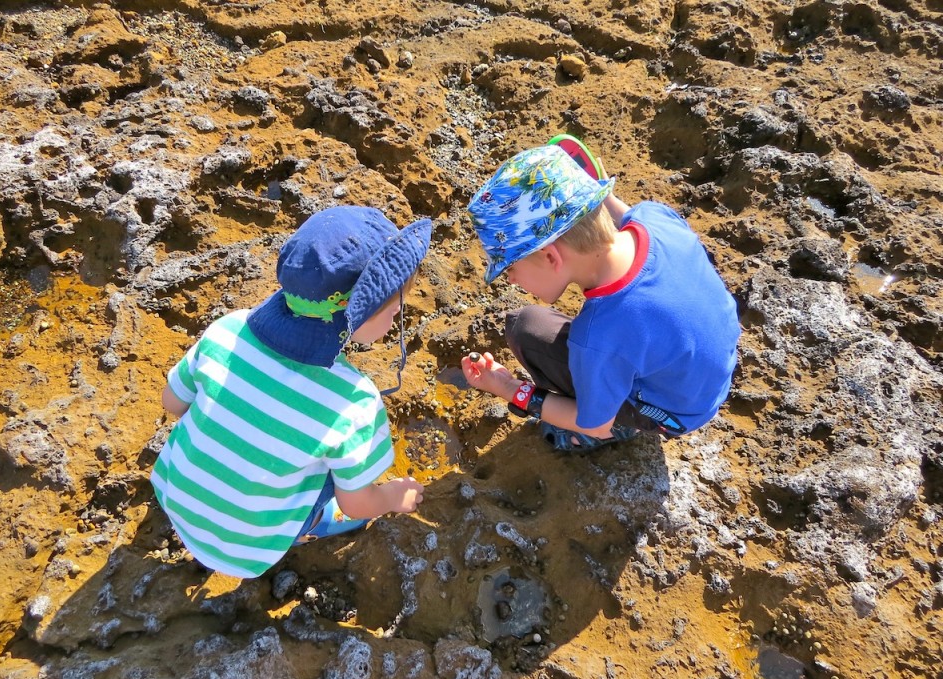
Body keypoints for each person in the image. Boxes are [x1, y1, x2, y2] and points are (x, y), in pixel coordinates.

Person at [152, 206, 430, 578]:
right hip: (247, 549)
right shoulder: (354, 401)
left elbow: (172, 402)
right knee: (339, 482)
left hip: (175, 499)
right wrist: (395, 497)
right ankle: (309, 528)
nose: (398, 314)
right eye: (393, 307)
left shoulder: (227, 330)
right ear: (356, 313)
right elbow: (357, 503)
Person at [461, 144, 740, 451]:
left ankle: (622, 429)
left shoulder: (598, 335)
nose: (511, 279)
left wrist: (509, 388)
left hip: (672, 412)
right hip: (707, 375)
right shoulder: (655, 218)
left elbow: (592, 422)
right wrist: (597, 193)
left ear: (551, 257)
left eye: (511, 267)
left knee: (527, 329)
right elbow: (620, 212)